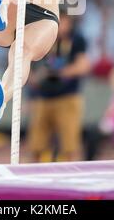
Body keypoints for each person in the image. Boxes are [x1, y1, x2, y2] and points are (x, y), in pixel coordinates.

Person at [26, 10, 90, 162]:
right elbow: (31, 66)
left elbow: (83, 66)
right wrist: (35, 78)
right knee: (37, 144)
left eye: (64, 20)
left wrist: (58, 72)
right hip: (43, 97)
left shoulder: (77, 39)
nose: (61, 25)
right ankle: (35, 178)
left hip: (67, 97)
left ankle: (74, 177)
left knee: (70, 145)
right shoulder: (43, 38)